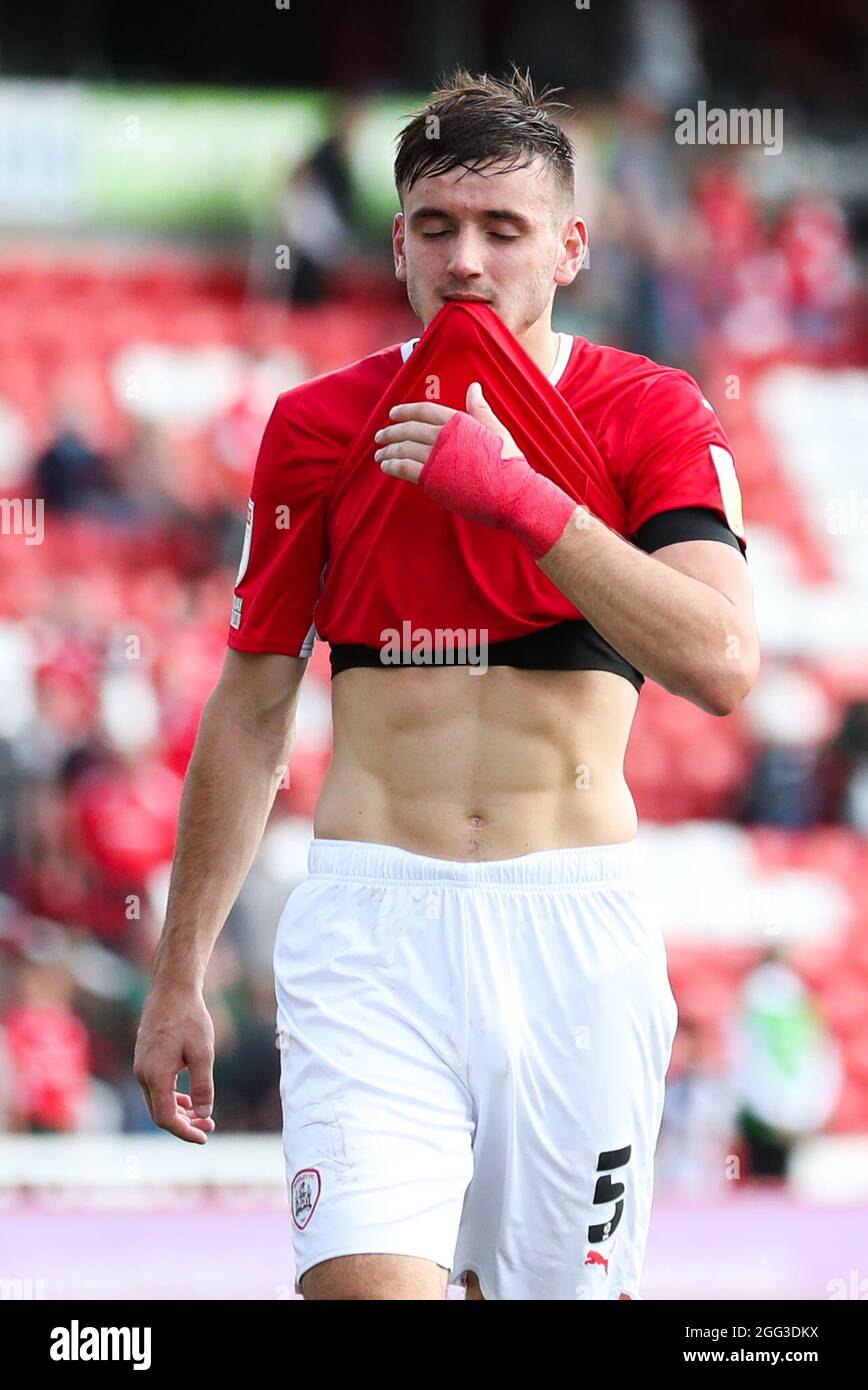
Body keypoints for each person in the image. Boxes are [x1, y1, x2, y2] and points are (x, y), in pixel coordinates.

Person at [134, 65, 759, 1301]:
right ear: (400, 243)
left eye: (502, 228)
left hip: (575, 937)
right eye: (437, 227)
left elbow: (719, 660)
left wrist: (519, 497)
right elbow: (253, 704)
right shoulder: (318, 424)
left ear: (570, 246)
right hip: (375, 929)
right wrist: (179, 970)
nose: (466, 259)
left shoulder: (651, 412)